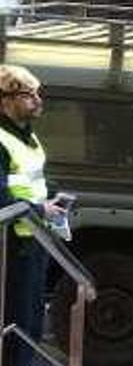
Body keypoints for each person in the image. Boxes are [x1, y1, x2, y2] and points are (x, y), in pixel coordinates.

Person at [0, 65, 73, 366]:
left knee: (30, 321)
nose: (38, 101)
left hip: (34, 237)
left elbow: (30, 181)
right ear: (6, 100)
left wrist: (52, 197)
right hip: (11, 245)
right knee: (17, 322)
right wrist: (41, 209)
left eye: (37, 94)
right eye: (29, 95)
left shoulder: (26, 136)